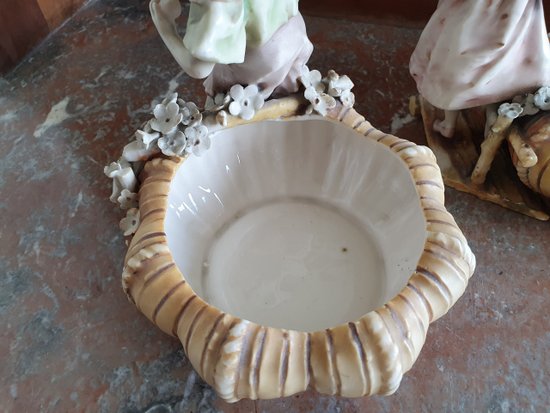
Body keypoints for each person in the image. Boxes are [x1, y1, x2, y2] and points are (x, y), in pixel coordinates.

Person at [410, 0, 550, 138]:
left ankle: (449, 124)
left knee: (455, 65)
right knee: (499, 71)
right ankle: (488, 125)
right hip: (514, 18)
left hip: (477, 15)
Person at [150, 0, 313, 98]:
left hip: (255, 73)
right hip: (295, 44)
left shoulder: (218, 4)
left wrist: (165, 24)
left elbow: (198, 68)